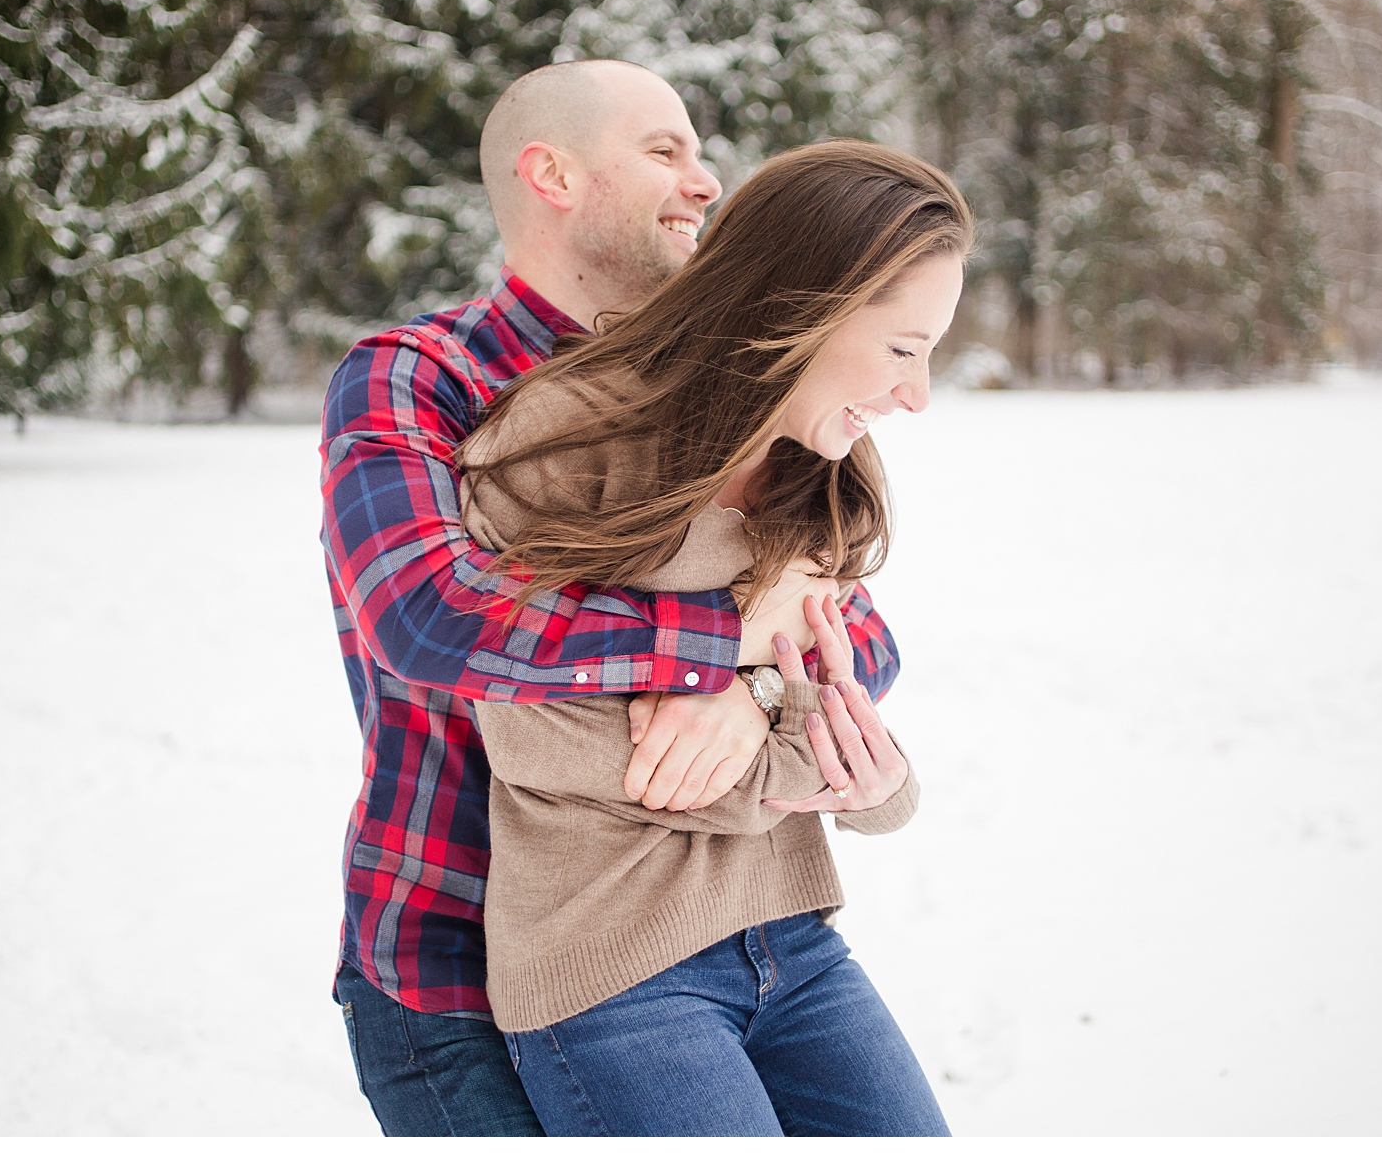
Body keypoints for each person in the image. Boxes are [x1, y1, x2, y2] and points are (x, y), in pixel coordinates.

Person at [319, 60, 904, 1136]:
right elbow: (433, 616)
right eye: (664, 150)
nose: (705, 179)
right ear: (552, 174)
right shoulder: (415, 375)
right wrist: (721, 640)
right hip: (452, 952)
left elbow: (853, 621)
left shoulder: (717, 384)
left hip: (707, 924)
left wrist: (752, 692)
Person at [455, 139, 963, 1136]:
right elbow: (529, 729)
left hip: (792, 941)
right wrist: (778, 769)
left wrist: (787, 722)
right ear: (798, 305)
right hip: (613, 969)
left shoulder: (827, 471)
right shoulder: (567, 436)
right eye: (904, 347)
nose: (918, 394)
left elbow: (829, 685)